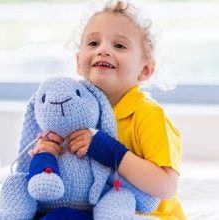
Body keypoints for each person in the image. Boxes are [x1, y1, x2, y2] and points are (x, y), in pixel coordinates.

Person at [29, 1, 185, 219]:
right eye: (93, 43)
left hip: (145, 213)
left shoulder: (148, 114)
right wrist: (49, 152)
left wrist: (109, 150)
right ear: (78, 62)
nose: (103, 50)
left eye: (119, 46)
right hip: (97, 208)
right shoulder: (73, 108)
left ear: (145, 69)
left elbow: (165, 187)